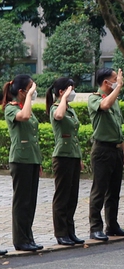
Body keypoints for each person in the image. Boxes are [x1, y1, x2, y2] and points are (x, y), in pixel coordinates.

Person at [88, 68, 124, 241]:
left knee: (114, 191)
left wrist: (123, 150)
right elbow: (104, 106)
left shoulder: (113, 99)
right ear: (106, 83)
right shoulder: (95, 98)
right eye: (115, 79)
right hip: (102, 150)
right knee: (99, 190)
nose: (118, 81)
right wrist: (119, 87)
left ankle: (112, 225)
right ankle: (95, 228)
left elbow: (117, 127)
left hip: (115, 149)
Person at [2, 74, 43, 252]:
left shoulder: (25, 106)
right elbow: (24, 116)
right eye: (31, 88)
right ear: (21, 91)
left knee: (31, 201)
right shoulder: (11, 109)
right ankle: (20, 240)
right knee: (22, 202)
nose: (33, 92)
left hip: (31, 159)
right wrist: (28, 97)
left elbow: (33, 137)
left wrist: (38, 161)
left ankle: (28, 237)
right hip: (20, 160)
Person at [45, 77, 84, 246]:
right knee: (62, 197)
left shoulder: (71, 109)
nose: (73, 92)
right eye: (70, 89)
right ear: (61, 92)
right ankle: (61, 233)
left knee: (72, 197)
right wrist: (62, 99)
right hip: (62, 157)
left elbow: (74, 136)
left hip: (73, 156)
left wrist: (80, 157)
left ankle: (70, 231)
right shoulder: (57, 108)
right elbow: (59, 116)